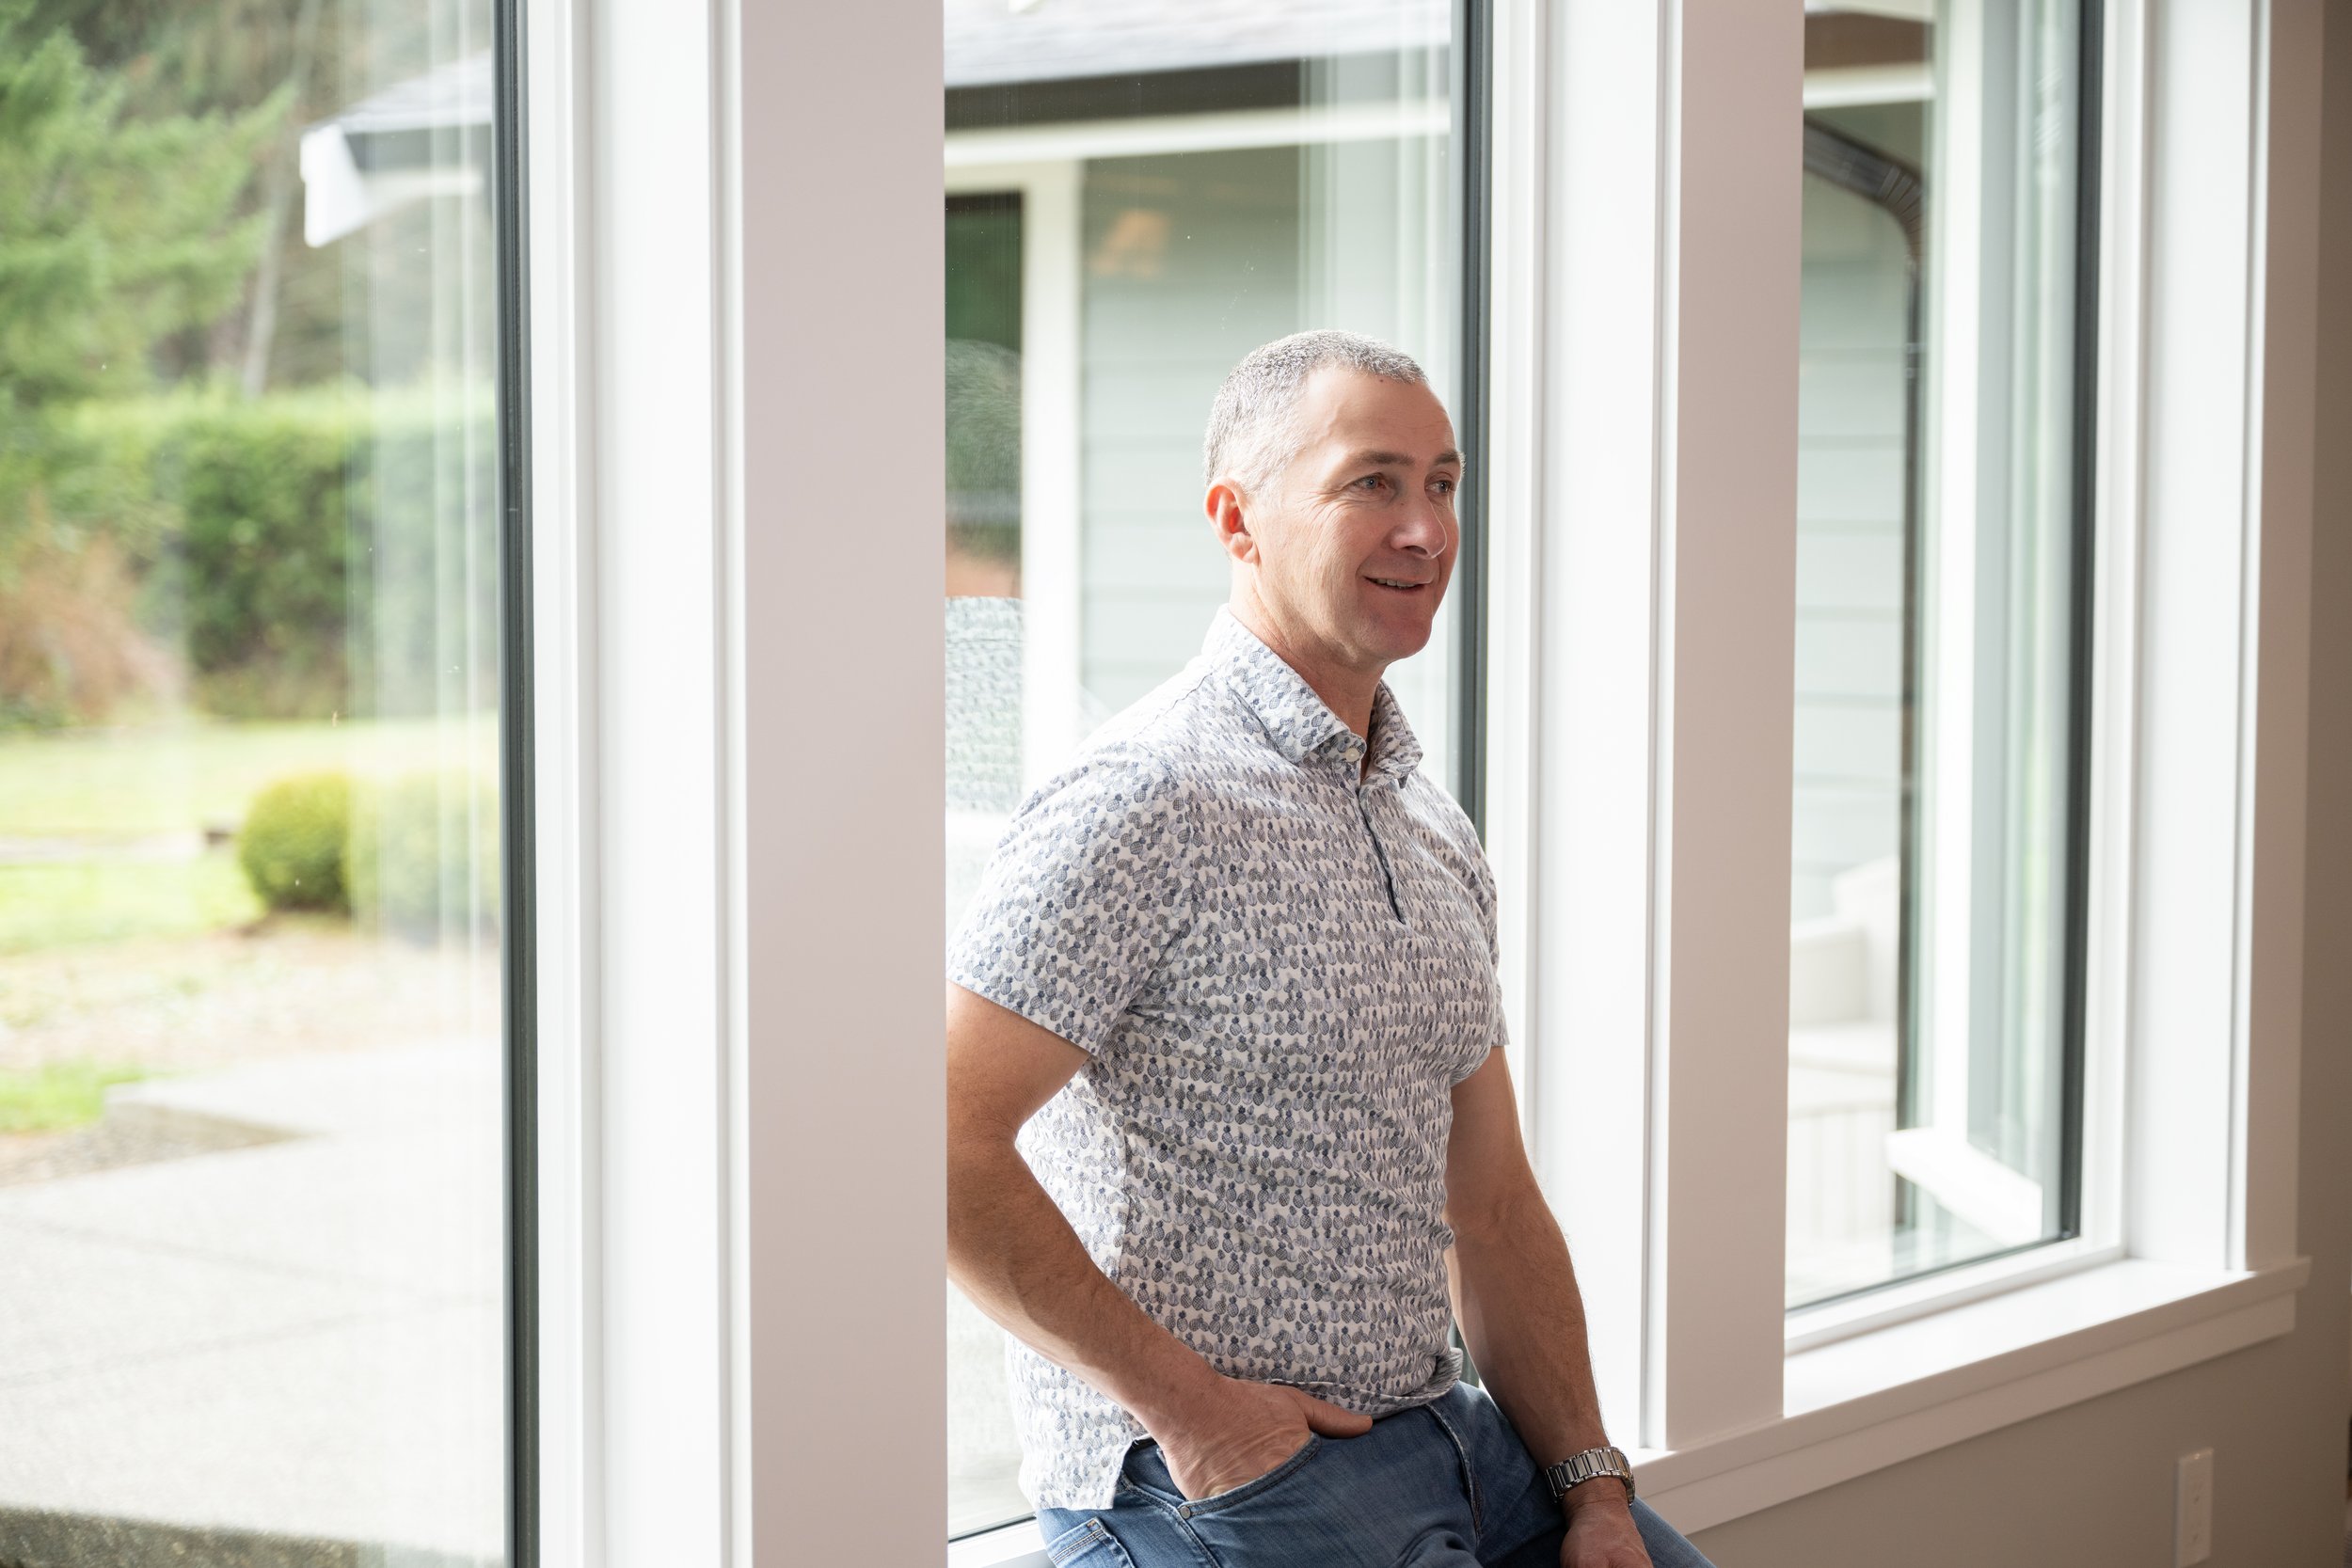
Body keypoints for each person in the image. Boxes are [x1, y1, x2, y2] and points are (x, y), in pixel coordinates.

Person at [946, 330, 1718, 1568]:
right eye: (1372, 482)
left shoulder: (1427, 822)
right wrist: (1198, 1417)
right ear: (1238, 521)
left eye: (1444, 483)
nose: (1425, 528)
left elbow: (1496, 1203)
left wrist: (1592, 1487)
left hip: (1465, 1448)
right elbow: (938, 1144)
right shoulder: (1142, 797)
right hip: (1219, 1484)